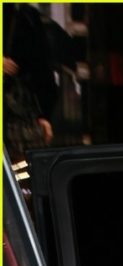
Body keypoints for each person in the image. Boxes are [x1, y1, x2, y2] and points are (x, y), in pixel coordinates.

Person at [3, 2, 57, 162]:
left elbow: (41, 67)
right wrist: (45, 115)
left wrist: (44, 114)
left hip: (17, 116)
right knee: (21, 168)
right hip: (19, 117)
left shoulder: (25, 16)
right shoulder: (26, 15)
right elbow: (42, 68)